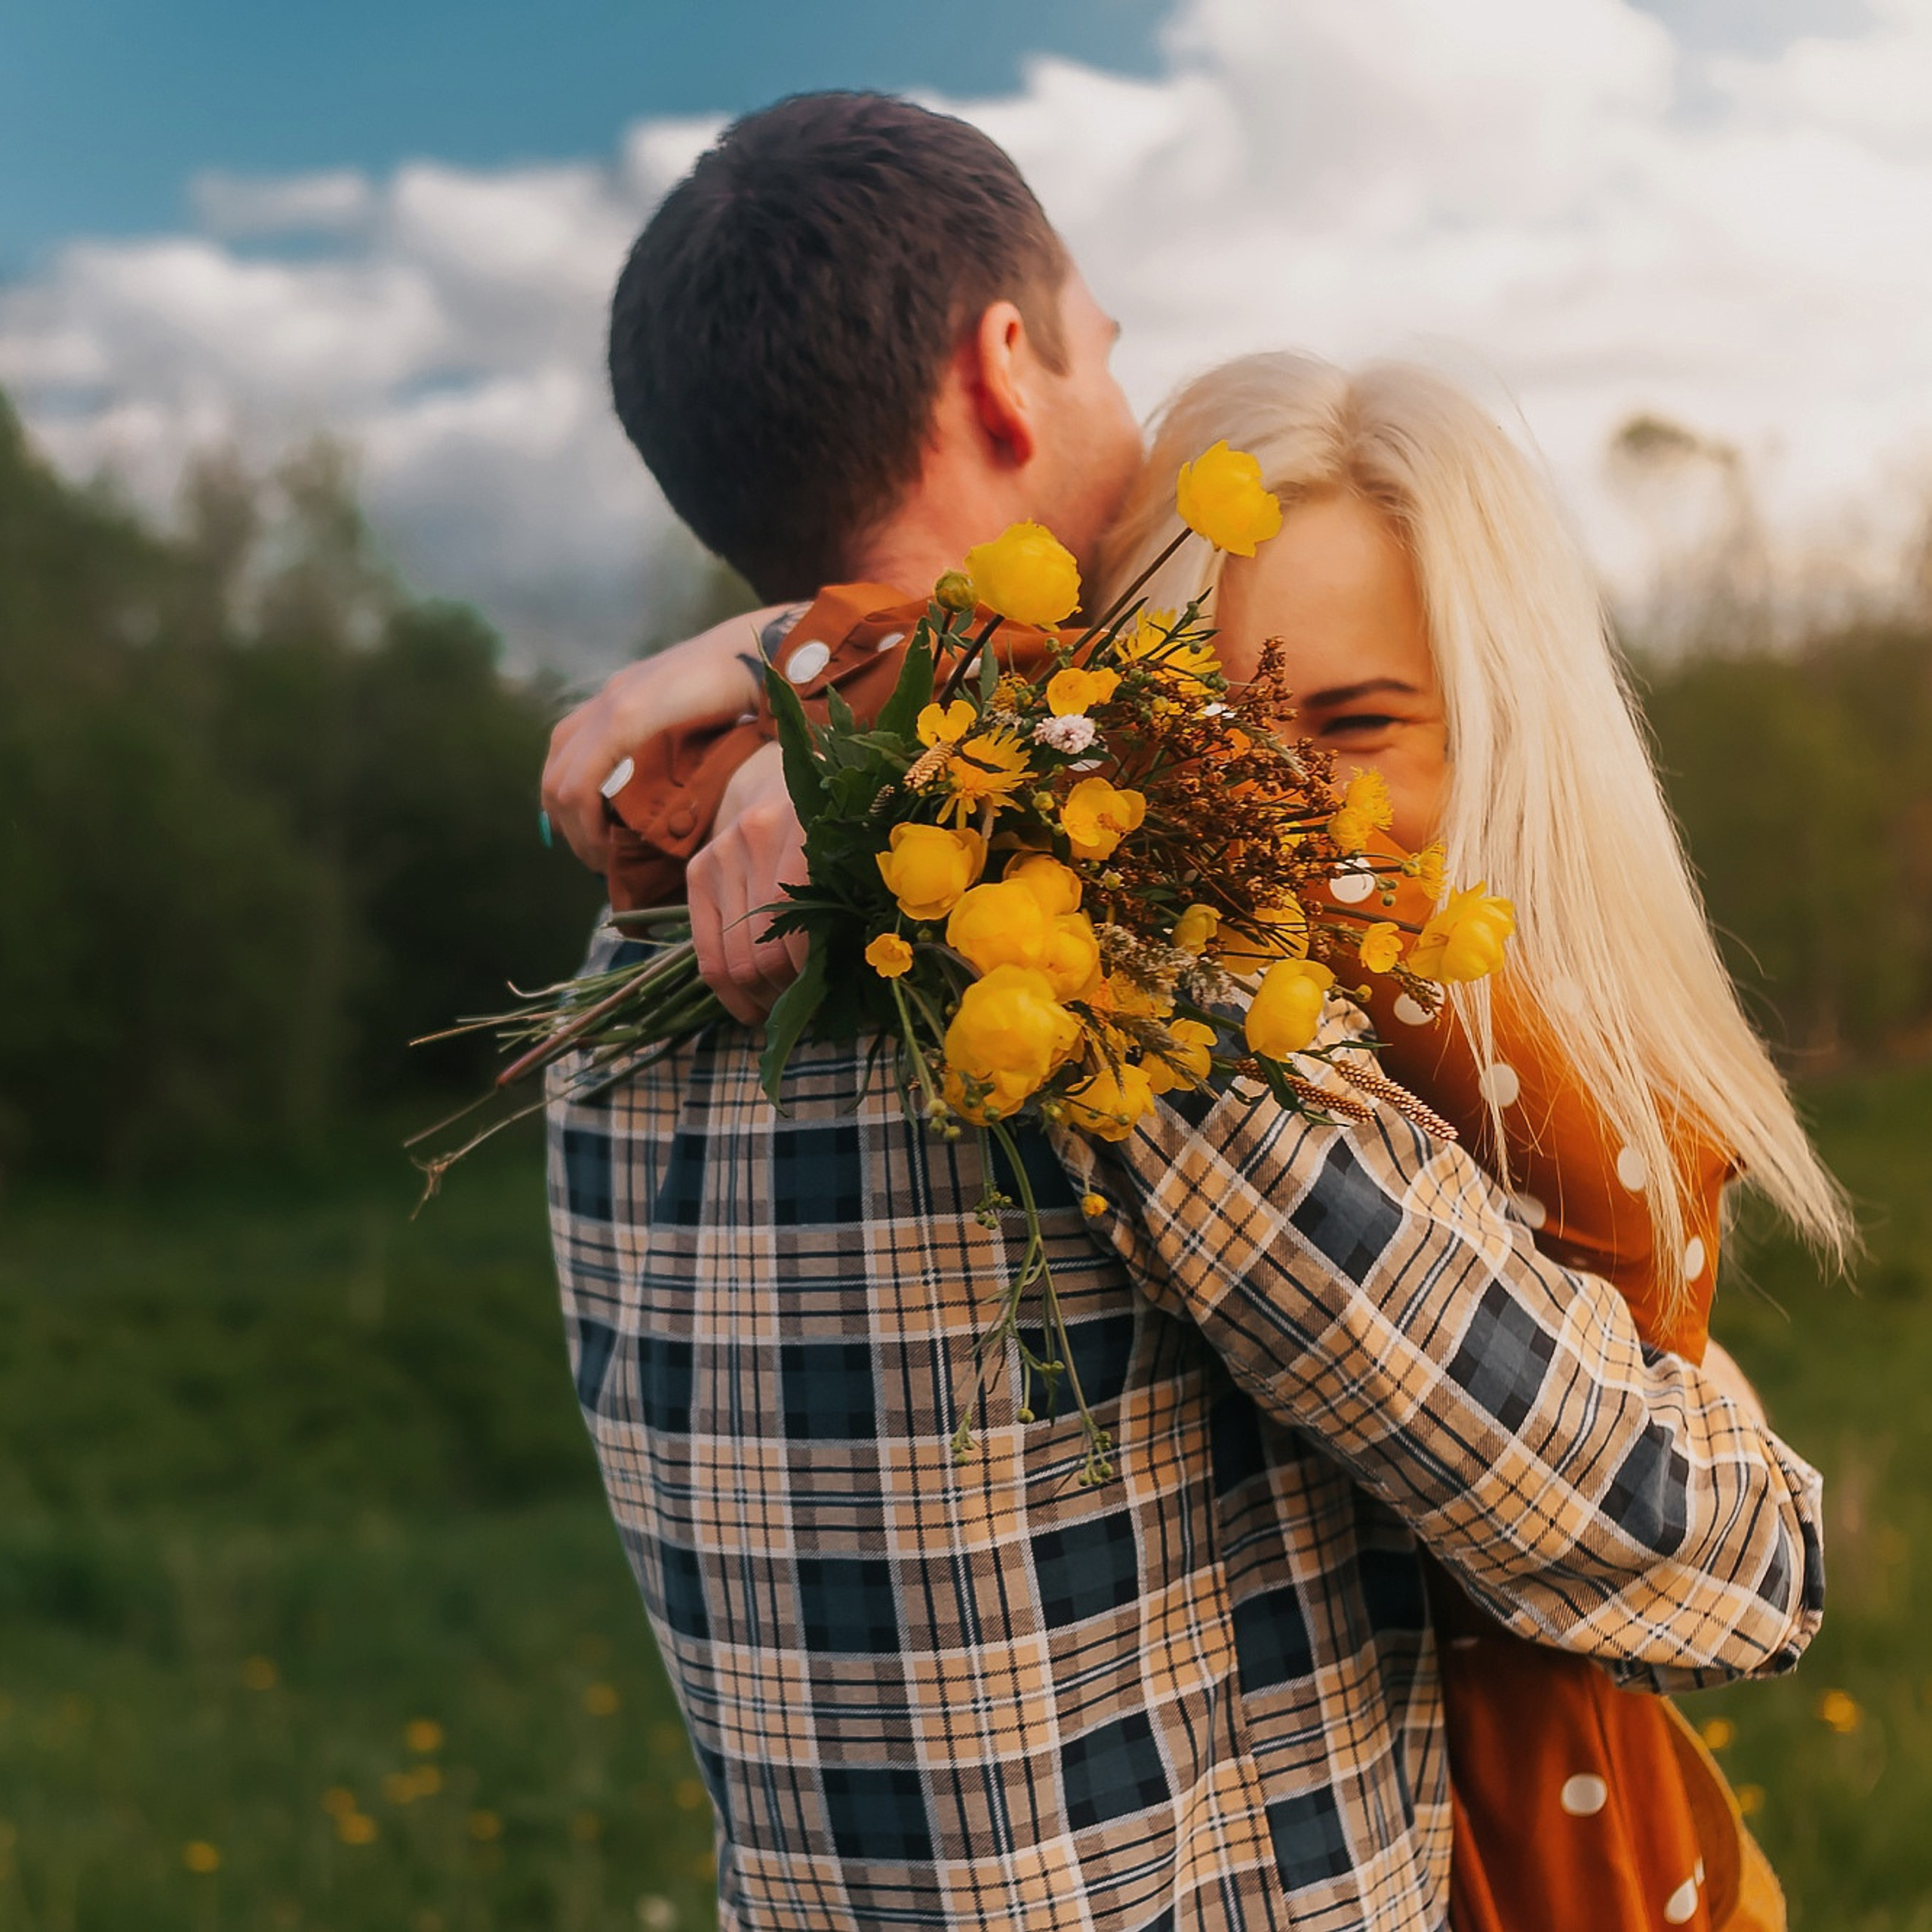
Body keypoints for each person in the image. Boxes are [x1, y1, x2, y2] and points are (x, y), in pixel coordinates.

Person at [544, 92, 1825, 1932]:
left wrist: (814, 665)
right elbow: (1699, 1553)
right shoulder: (1097, 972)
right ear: (1006, 372)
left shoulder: (621, 986)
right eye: (1107, 365)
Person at [1093, 352, 1854, 1929]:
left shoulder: (1510, 1027)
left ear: (1500, 715)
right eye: (1201, 735)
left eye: (1351, 722)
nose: (1267, 810)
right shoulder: (1158, 1030)